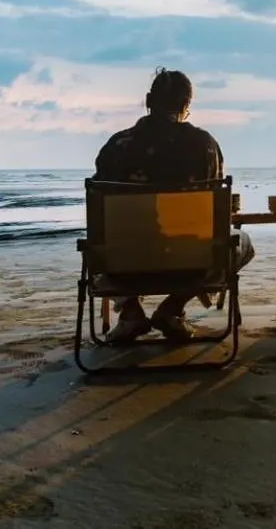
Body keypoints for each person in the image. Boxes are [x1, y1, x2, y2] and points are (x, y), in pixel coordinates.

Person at [93, 68, 255, 343]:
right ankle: (172, 308)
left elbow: (98, 214)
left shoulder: (117, 146)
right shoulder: (205, 145)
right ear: (185, 105)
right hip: (191, 263)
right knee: (242, 242)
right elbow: (216, 211)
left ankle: (131, 312)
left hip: (124, 265)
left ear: (148, 100)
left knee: (96, 243)